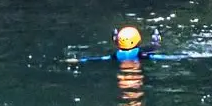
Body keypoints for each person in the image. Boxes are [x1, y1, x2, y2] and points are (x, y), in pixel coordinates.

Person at [66, 26, 195, 63]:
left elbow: (98, 59)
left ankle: (116, 37)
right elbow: (159, 57)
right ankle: (157, 39)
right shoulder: (140, 53)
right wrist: (186, 56)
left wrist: (78, 60)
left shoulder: (116, 56)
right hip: (141, 58)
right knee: (154, 46)